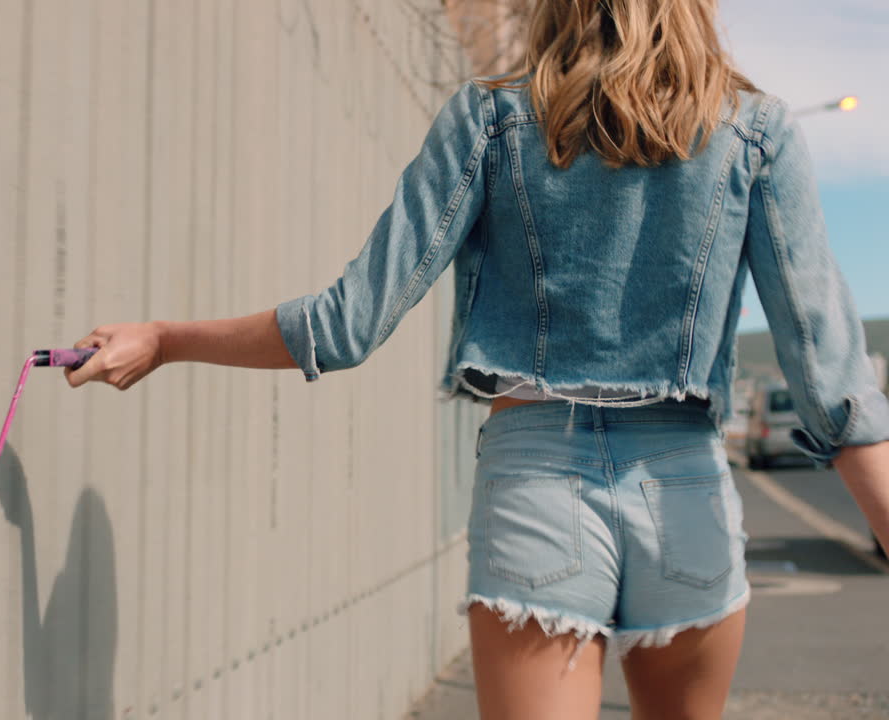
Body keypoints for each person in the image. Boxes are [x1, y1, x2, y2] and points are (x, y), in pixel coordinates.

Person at [63, 0, 889, 716]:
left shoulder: (490, 119)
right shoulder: (759, 131)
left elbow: (346, 324)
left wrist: (167, 340)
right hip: (686, 489)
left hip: (538, 483)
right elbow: (829, 376)